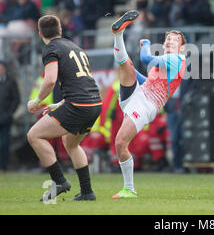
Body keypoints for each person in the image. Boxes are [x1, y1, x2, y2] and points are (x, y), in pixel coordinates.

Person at [110, 10, 186, 199]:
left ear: (182, 48)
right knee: (125, 64)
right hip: (139, 93)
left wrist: (146, 44)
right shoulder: (166, 63)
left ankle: (129, 189)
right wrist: (131, 70)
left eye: (174, 40)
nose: (169, 42)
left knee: (120, 143)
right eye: (167, 39)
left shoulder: (177, 59)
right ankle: (118, 33)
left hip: (146, 105)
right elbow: (147, 81)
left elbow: (145, 58)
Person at [27, 15, 102, 201]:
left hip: (78, 104)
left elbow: (50, 79)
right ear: (60, 30)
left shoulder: (51, 48)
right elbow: (82, 83)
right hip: (94, 103)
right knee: (71, 143)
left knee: (34, 135)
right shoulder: (74, 46)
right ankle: (87, 192)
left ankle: (59, 181)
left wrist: (36, 101)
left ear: (39, 33)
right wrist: (60, 103)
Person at [0, 61, 20, 171]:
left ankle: (3, 166)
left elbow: (16, 99)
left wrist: (9, 113)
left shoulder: (11, 82)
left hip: (5, 119)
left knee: (4, 143)